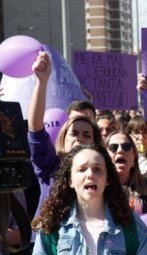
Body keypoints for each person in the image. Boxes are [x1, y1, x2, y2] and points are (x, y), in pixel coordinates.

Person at [28, 144, 147, 255]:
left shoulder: (131, 225)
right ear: (70, 180)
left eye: (97, 169)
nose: (90, 174)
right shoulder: (53, 225)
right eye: (82, 169)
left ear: (107, 180)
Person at [28, 52, 102, 222]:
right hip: (48, 244)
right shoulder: (50, 164)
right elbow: (36, 129)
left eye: (87, 135)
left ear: (94, 142)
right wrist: (42, 81)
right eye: (74, 133)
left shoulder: (102, 171)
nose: (80, 138)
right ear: (63, 138)